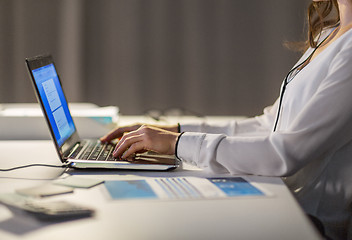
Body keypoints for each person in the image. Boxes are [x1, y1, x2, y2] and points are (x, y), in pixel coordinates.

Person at [101, 0, 352, 239]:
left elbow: (284, 154)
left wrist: (178, 144)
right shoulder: (326, 35)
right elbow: (267, 126)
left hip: (305, 220)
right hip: (275, 197)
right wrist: (171, 132)